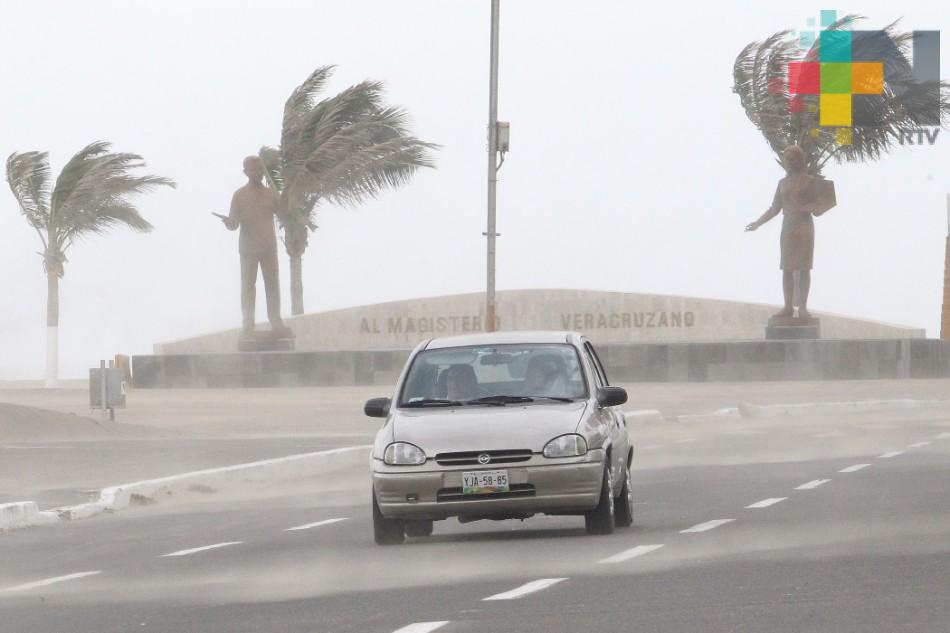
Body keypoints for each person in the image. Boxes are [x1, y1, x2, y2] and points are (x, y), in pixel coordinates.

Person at [745, 145, 820, 319]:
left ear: (799, 160)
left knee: (804, 268)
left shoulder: (809, 181)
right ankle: (788, 307)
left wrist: (817, 207)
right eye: (786, 160)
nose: (789, 162)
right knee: (786, 267)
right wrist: (758, 223)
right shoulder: (782, 183)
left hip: (804, 226)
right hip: (788, 226)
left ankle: (802, 307)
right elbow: (775, 207)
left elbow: (818, 206)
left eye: (792, 159)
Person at [221, 156, 287, 335]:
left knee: (272, 284)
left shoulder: (271, 193)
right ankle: (248, 324)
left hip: (268, 247)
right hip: (248, 248)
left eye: (260, 169)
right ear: (245, 173)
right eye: (253, 170)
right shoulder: (239, 195)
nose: (258, 172)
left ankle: (276, 322)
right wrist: (229, 222)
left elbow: (283, 214)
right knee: (248, 286)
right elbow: (233, 224)